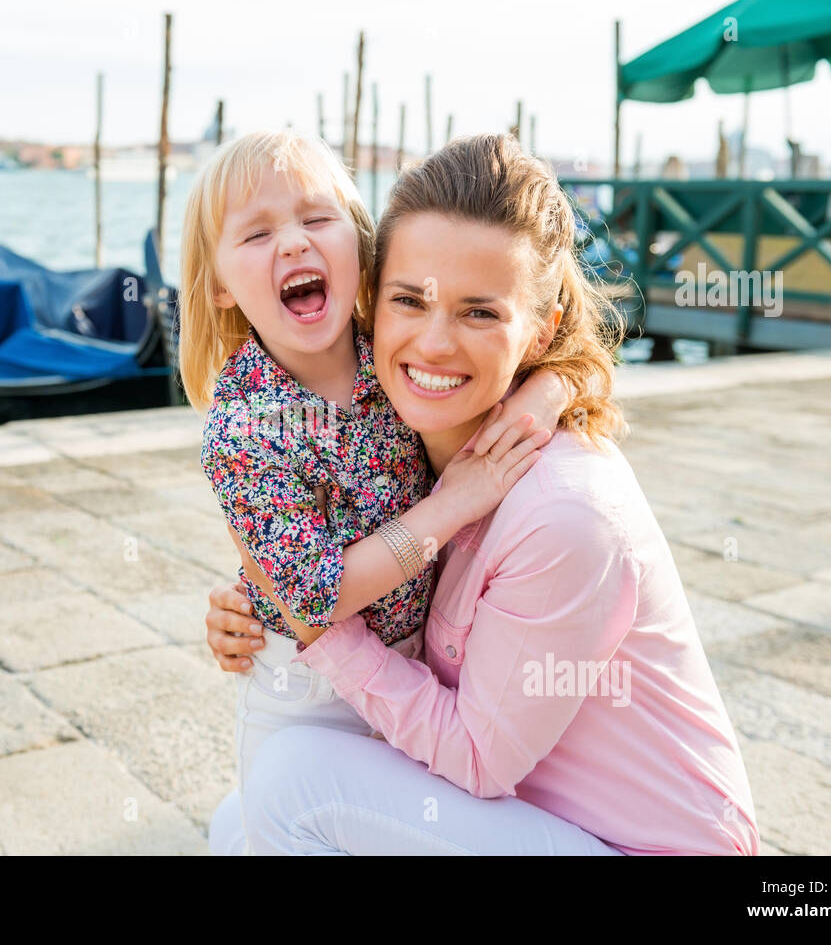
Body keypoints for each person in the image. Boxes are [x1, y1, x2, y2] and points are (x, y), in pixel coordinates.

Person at [204, 133, 760, 855]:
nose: (434, 344)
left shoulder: (564, 513)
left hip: (631, 845)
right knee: (237, 820)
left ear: (538, 331)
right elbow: (329, 532)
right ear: (372, 301)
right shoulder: (428, 440)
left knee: (290, 782)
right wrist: (259, 594)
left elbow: (474, 758)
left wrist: (315, 629)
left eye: (479, 312)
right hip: (532, 819)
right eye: (411, 300)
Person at [177, 130, 568, 852]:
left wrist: (552, 390)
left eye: (316, 219)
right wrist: (452, 504)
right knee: (285, 822)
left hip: (410, 673)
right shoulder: (242, 427)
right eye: (258, 233)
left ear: (361, 245)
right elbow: (316, 594)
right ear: (221, 287)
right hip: (305, 692)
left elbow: (545, 346)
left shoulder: (391, 347)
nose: (293, 243)